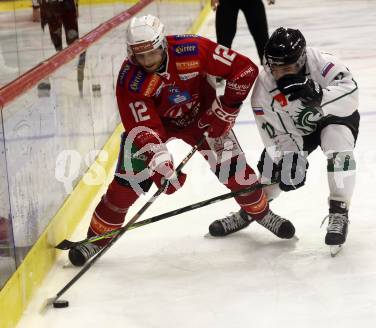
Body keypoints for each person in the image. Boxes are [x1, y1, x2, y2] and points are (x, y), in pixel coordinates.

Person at [68, 15, 295, 267]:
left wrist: (226, 108)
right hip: (156, 128)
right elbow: (142, 127)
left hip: (204, 117)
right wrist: (160, 162)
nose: (146, 62)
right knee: (125, 187)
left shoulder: (192, 49)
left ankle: (261, 214)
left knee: (237, 174)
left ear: (162, 44)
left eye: (151, 54)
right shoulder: (130, 79)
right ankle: (95, 239)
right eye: (139, 56)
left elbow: (244, 69)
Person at [208, 27, 359, 254]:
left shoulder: (322, 62)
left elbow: (351, 95)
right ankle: (253, 209)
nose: (278, 73)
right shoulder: (263, 89)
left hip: (334, 118)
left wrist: (318, 94)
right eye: (274, 67)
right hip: (294, 130)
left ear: (301, 60)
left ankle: (339, 212)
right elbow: (275, 134)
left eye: (286, 68)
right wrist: (290, 159)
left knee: (339, 149)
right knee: (271, 171)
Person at [211, 0, 275, 65]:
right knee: (223, 41)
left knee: (261, 37)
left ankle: (270, 68)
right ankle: (222, 69)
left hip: (252, 2)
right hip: (226, 2)